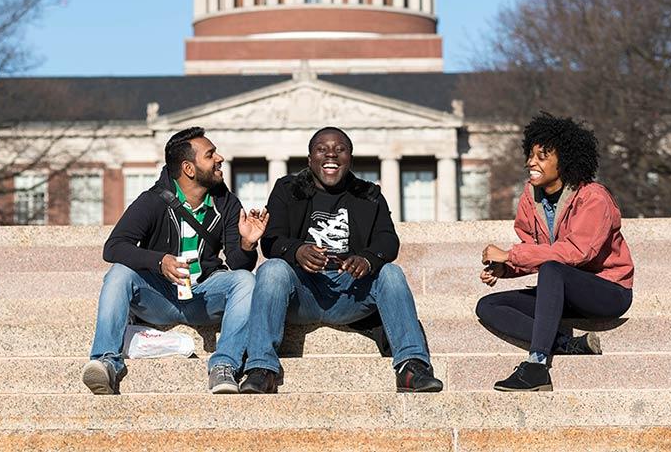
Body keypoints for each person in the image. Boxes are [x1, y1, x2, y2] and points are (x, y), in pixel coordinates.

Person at [238, 127, 443, 394]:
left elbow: (388, 241)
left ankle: (412, 367)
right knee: (272, 269)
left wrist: (368, 260)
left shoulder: (368, 194)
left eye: (340, 149)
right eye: (322, 149)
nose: (331, 154)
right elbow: (272, 240)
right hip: (303, 291)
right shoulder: (288, 189)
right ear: (310, 158)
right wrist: (297, 251)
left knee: (391, 272)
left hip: (351, 290)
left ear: (350, 157)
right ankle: (261, 369)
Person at [84, 127, 268, 395]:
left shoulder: (226, 203)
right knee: (119, 273)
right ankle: (105, 361)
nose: (220, 158)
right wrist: (160, 262)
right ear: (189, 168)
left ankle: (224, 365)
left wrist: (247, 243)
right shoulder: (152, 201)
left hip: (204, 295)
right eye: (210, 154)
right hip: (160, 296)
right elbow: (113, 248)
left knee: (245, 280)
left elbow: (239, 264)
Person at [475, 113, 634, 392]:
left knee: (552, 268)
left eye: (542, 156)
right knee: (488, 306)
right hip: (560, 290)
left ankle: (537, 366)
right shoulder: (530, 198)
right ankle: (570, 344)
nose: (531, 162)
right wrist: (506, 269)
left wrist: (510, 255)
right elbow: (539, 251)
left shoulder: (594, 197)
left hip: (608, 292)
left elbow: (576, 252)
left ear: (565, 161)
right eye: (530, 155)